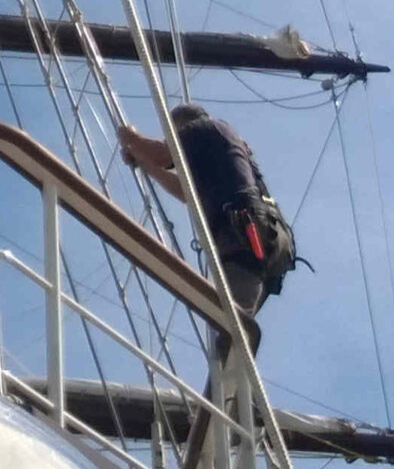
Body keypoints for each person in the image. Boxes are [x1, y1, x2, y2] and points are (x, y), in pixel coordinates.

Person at [118, 102, 296, 337]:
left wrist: (129, 136)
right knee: (234, 321)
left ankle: (231, 346)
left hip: (243, 233)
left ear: (180, 127)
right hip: (268, 237)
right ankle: (233, 346)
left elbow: (161, 154)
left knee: (230, 329)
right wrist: (144, 163)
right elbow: (185, 191)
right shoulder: (222, 142)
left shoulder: (202, 129)